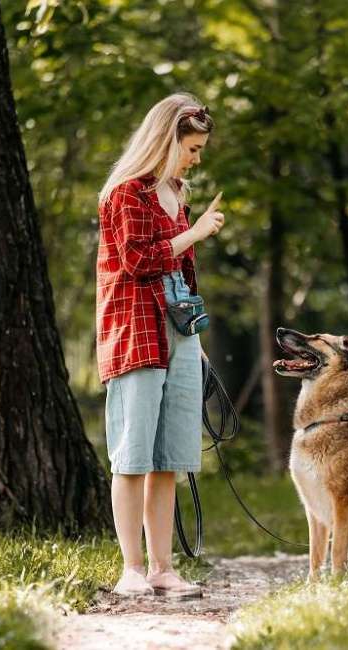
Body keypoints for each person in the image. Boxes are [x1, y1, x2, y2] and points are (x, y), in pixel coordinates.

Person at [96, 93, 225, 598]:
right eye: (192, 149)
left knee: (170, 456)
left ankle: (161, 567)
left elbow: (179, 277)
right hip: (136, 333)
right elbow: (136, 261)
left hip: (177, 333)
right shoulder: (127, 193)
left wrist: (193, 337)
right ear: (166, 140)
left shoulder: (176, 193)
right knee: (132, 456)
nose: (196, 159)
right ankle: (130, 569)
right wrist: (191, 235)